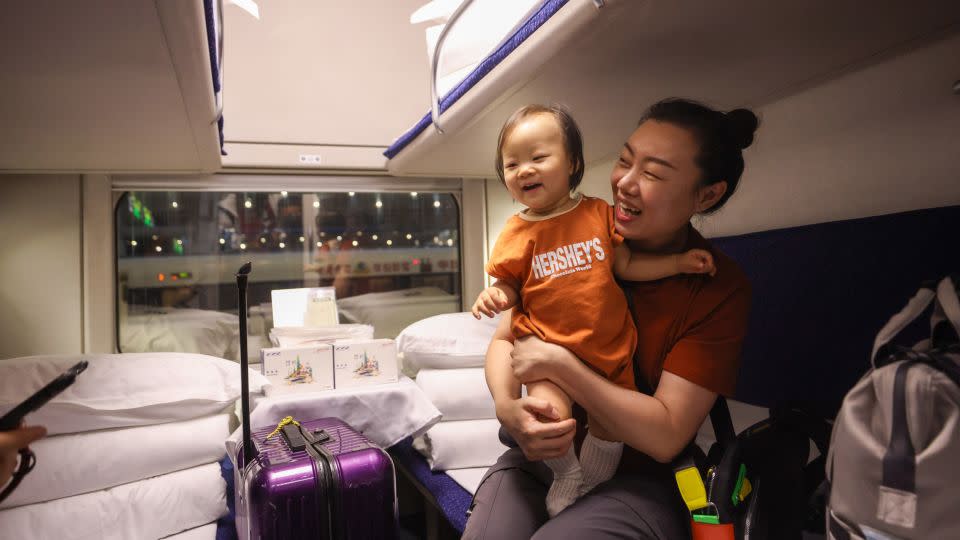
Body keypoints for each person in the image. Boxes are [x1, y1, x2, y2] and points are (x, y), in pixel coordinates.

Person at [462, 98, 757, 539]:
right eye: (624, 161)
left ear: (708, 194)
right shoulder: (563, 238)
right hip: (541, 458)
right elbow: (508, 342)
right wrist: (507, 409)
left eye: (653, 173)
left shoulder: (716, 286)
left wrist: (562, 366)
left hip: (640, 477)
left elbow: (666, 436)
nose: (625, 183)